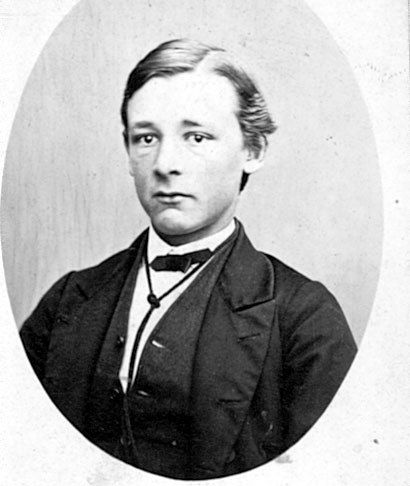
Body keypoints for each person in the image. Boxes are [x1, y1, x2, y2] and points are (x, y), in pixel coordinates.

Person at [20, 38, 357, 480]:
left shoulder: (305, 319)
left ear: (253, 150)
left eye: (196, 137)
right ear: (128, 152)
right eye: (146, 138)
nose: (165, 163)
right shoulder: (69, 300)